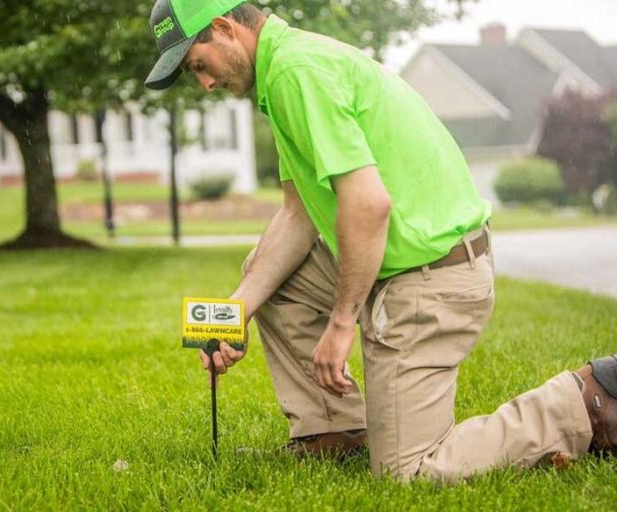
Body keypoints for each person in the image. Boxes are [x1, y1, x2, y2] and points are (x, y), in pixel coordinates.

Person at [144, 0, 617, 481]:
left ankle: (586, 400)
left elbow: (368, 205)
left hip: (432, 277)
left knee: (407, 473)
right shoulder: (285, 68)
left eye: (198, 66)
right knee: (270, 276)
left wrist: (341, 324)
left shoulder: (295, 70)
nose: (204, 84)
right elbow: (297, 213)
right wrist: (234, 312)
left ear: (223, 28)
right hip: (403, 263)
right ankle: (333, 431)